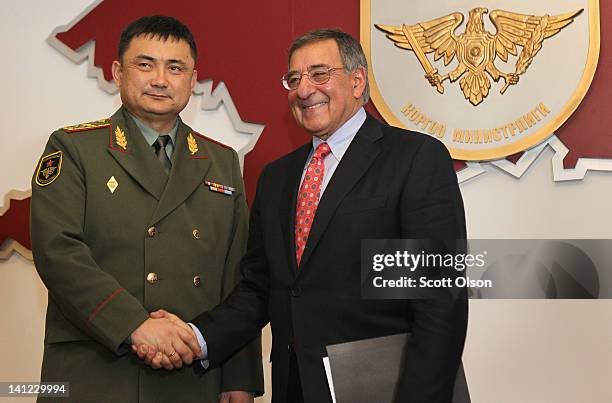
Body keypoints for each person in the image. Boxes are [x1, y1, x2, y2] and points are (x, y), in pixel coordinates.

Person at [138, 28, 467, 402]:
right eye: (293, 79)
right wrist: (196, 338)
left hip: (387, 388)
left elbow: (440, 297)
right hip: (296, 387)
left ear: (358, 81)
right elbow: (260, 288)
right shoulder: (278, 177)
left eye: (320, 74)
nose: (304, 89)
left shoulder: (415, 158)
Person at [31, 15, 262, 403]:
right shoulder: (74, 149)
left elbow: (237, 275)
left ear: (192, 80)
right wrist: (135, 324)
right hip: (97, 372)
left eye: (175, 68)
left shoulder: (221, 161)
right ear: (119, 72)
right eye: (145, 64)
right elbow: (59, 252)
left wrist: (238, 376)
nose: (160, 79)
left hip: (194, 376)